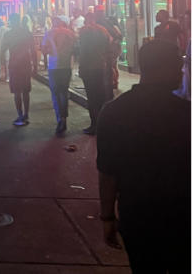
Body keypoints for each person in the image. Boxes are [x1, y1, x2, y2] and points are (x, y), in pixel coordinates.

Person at [96, 39, 190, 272]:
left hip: (137, 215)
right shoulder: (185, 115)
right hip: (182, 217)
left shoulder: (114, 112)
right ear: (163, 68)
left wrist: (107, 218)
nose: (182, 70)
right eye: (178, 64)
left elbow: (107, 173)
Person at [77, 13, 115, 135]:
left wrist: (81, 67)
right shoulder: (103, 31)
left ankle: (95, 124)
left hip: (89, 67)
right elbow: (110, 45)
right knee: (103, 96)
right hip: (102, 66)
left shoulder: (84, 31)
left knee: (92, 97)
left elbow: (82, 50)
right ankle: (105, 124)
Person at [41, 15, 76, 134]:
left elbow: (44, 50)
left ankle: (59, 118)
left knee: (56, 93)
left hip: (54, 66)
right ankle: (64, 117)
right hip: (66, 66)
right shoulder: (70, 33)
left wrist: (50, 54)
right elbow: (75, 49)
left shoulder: (49, 33)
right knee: (64, 92)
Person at [1, 13, 36, 126]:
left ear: (11, 21)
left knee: (17, 91)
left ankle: (20, 115)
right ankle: (26, 114)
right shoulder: (27, 33)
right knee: (26, 91)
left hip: (14, 64)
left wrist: (3, 65)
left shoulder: (8, 34)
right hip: (25, 64)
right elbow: (33, 51)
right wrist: (34, 66)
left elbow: (2, 50)